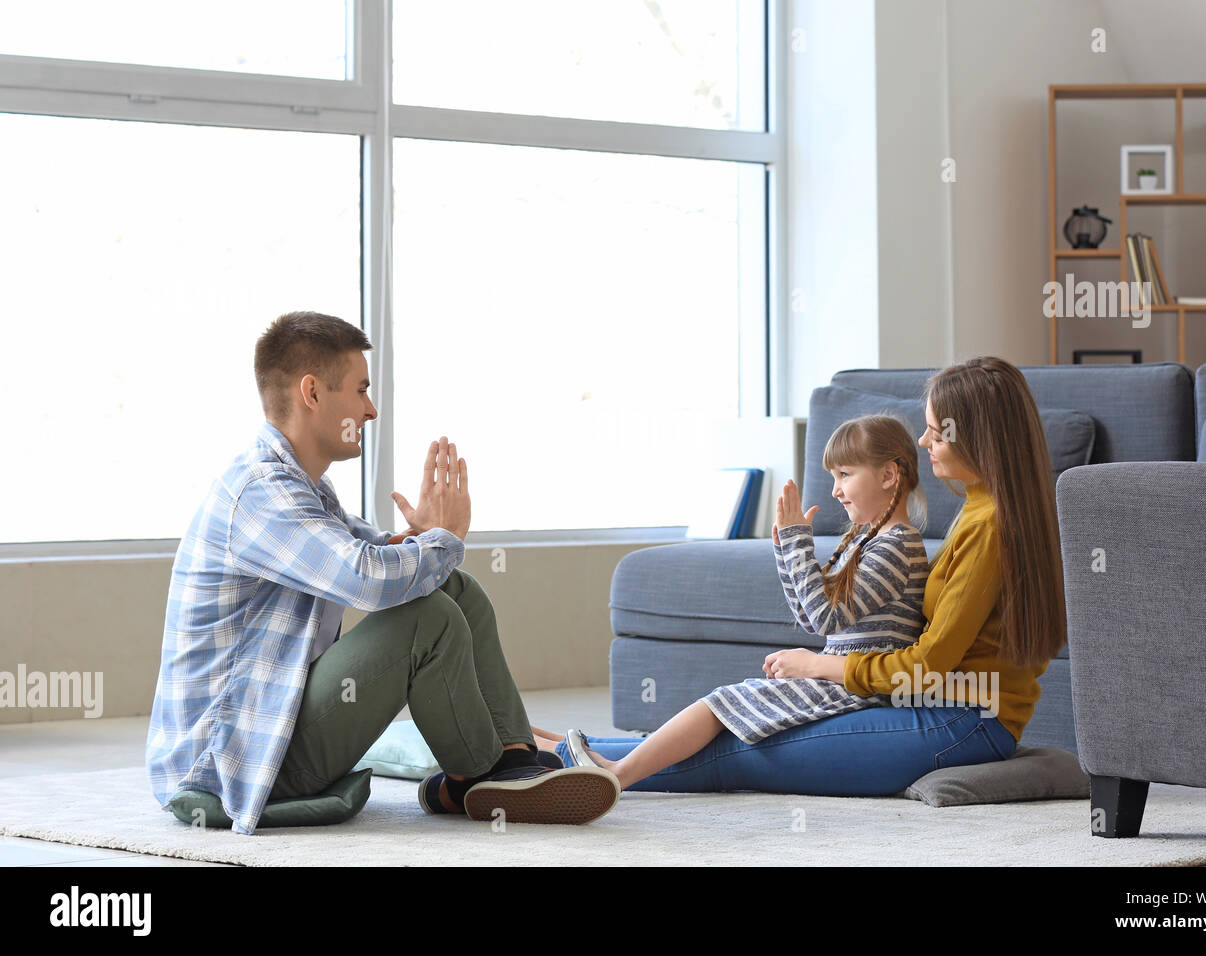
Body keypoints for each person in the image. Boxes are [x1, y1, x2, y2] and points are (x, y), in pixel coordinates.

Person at [145, 311, 619, 835]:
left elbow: (369, 548)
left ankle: (512, 760)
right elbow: (365, 578)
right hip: (229, 765)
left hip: (271, 733)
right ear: (312, 393)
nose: (370, 411)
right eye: (360, 390)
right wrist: (444, 539)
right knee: (427, 616)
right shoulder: (261, 491)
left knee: (452, 587)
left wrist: (422, 542)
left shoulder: (303, 486)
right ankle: (476, 779)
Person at [541, 356, 1068, 798]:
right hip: (955, 712)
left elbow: (927, 664)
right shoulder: (983, 511)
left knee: (744, 749)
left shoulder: (990, 526)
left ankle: (567, 763)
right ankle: (558, 752)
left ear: (976, 434)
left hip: (960, 721)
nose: (926, 441)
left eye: (938, 430)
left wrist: (819, 665)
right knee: (740, 730)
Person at [554, 415, 931, 789]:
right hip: (841, 677)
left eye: (845, 474)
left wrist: (800, 543)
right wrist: (786, 549)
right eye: (833, 477)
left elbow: (826, 619)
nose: (835, 490)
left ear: (887, 476)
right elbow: (806, 613)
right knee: (729, 704)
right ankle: (598, 761)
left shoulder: (897, 545)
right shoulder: (867, 541)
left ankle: (617, 774)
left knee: (724, 703)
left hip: (857, 687)